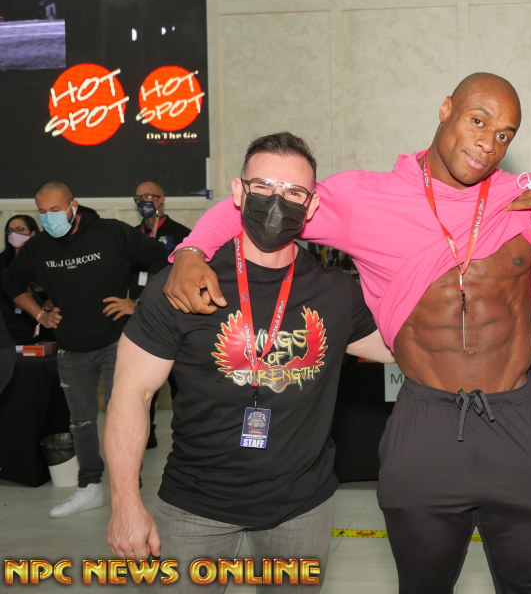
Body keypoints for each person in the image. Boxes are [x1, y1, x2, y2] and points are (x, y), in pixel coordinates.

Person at [163, 73, 531, 593]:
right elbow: (266, 203)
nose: (489, 143)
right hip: (427, 418)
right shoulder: (365, 198)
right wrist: (191, 250)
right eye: (478, 121)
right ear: (445, 109)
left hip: (518, 415)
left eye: (504, 134)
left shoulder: (528, 199)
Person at [105, 132, 393, 593]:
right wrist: (124, 503)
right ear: (238, 193)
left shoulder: (336, 292)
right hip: (194, 506)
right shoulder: (183, 284)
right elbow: (131, 394)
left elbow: (412, 349)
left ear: (312, 206)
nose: (277, 202)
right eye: (263, 187)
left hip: (301, 509)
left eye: (294, 192)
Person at [1, 180, 169, 518]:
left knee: (124, 416)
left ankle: (128, 490)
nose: (49, 217)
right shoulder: (39, 247)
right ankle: (89, 486)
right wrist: (40, 314)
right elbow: (10, 280)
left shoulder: (111, 233)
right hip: (71, 347)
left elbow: (164, 260)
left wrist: (138, 304)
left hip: (118, 342)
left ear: (73, 206)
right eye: (43, 212)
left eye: (55, 210)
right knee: (80, 422)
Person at [130, 180, 192, 449]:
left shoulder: (182, 234)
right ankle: (146, 435)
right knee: (143, 384)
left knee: (181, 382)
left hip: (174, 315)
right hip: (141, 318)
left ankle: (187, 435)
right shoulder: (132, 236)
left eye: (149, 196)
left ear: (161, 199)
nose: (144, 202)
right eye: (138, 198)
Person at [0, 214, 52, 344]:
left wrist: (51, 300)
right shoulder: (3, 262)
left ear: (33, 233)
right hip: (10, 329)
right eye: (10, 231)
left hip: (44, 328)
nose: (14, 234)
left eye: (20, 230)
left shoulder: (45, 261)